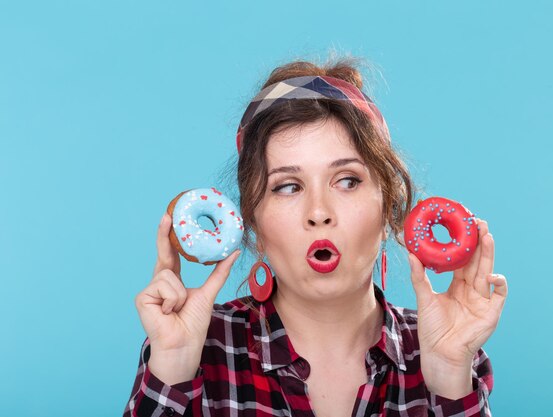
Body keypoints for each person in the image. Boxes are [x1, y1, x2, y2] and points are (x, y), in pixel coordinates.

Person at [123, 57, 508, 417]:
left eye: (347, 181)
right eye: (288, 187)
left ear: (388, 206)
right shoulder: (200, 345)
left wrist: (449, 377)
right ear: (252, 224)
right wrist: (171, 368)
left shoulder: (445, 347)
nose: (319, 212)